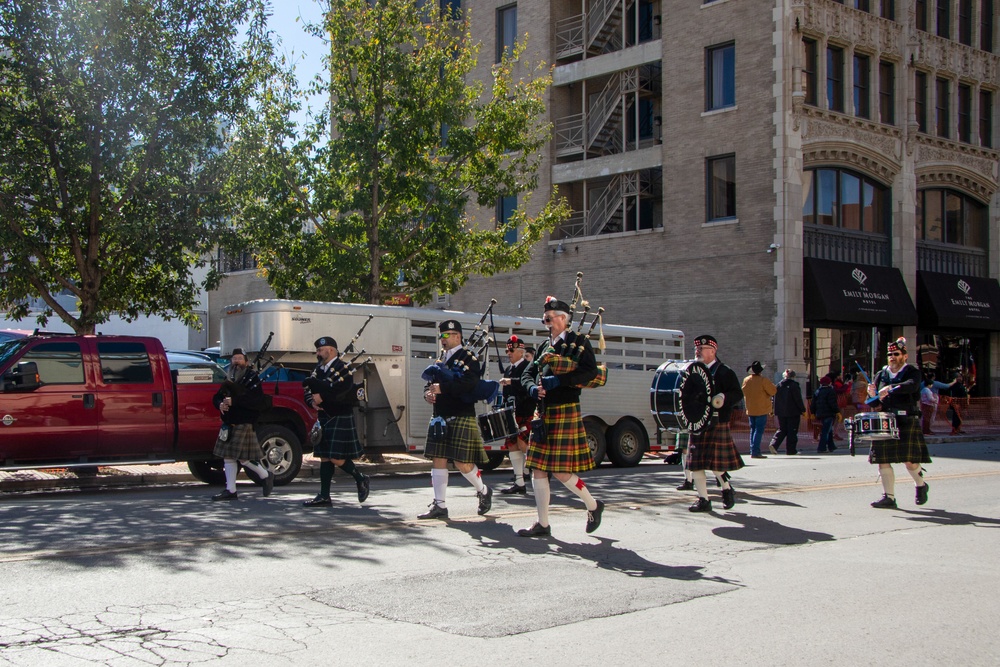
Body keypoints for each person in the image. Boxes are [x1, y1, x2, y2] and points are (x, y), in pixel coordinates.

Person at [517, 296, 604, 536]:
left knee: (561, 471)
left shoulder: (579, 343)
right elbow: (528, 374)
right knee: (537, 469)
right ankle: (543, 523)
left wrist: (560, 381)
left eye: (550, 318)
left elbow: (589, 373)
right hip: (543, 413)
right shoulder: (545, 347)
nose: (546, 321)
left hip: (566, 410)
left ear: (563, 319)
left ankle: (593, 506)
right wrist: (533, 388)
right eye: (545, 318)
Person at [418, 320, 492, 520]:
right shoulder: (441, 359)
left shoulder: (469, 358)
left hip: (461, 413)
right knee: (438, 459)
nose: (442, 339)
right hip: (440, 415)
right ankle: (439, 505)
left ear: (457, 336)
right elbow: (431, 383)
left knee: (462, 463)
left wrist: (443, 389)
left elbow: (469, 384)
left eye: (446, 335)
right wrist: (429, 394)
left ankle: (483, 490)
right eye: (441, 335)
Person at [302, 337, 371, 507]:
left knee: (335, 457)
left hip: (339, 414)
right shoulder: (319, 369)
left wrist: (321, 398)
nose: (318, 353)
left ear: (331, 350)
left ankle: (360, 478)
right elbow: (308, 389)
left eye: (320, 350)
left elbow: (342, 392)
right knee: (325, 457)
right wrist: (311, 401)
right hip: (324, 416)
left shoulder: (343, 368)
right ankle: (324, 496)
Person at [865, 337, 931, 509]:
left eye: (896, 354)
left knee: (909, 460)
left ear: (904, 355)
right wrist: (872, 393)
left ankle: (921, 485)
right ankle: (889, 497)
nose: (892, 357)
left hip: (906, 418)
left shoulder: (911, 371)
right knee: (883, 459)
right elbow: (872, 401)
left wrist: (891, 388)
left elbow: (912, 386)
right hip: (885, 420)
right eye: (890, 354)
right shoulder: (881, 374)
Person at [686, 335, 744, 512]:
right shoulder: (692, 371)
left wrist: (723, 397)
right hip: (697, 422)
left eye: (702, 349)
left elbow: (737, 393)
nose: (698, 351)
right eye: (697, 349)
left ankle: (726, 489)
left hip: (717, 422)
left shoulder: (724, 372)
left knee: (716, 466)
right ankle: (703, 499)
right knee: (695, 464)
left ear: (713, 351)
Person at [210, 348, 274, 501]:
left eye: (240, 358)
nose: (236, 361)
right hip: (229, 422)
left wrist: (235, 401)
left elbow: (256, 401)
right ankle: (232, 490)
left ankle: (263, 476)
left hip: (244, 422)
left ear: (246, 362)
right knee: (232, 457)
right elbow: (217, 396)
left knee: (238, 458)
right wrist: (219, 404)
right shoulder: (229, 377)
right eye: (234, 358)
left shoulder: (252, 378)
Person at [499, 335, 536, 495]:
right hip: (512, 414)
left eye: (511, 350)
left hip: (527, 411)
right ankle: (519, 482)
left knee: (524, 444)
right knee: (512, 446)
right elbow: (507, 392)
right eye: (507, 350)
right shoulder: (508, 369)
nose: (508, 353)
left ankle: (539, 470)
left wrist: (511, 382)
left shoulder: (529, 367)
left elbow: (529, 385)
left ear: (520, 351)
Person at [741, 360, 776, 459]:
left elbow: (743, 391)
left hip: (750, 408)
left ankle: (753, 450)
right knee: (759, 430)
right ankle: (756, 451)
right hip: (762, 408)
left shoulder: (746, 380)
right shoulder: (763, 380)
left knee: (753, 430)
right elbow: (773, 391)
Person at [768, 369, 806, 455]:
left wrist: (773, 409)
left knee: (782, 429)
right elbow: (798, 399)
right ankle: (791, 450)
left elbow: (774, 399)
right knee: (792, 431)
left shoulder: (778, 385)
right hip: (793, 412)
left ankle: (774, 444)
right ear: (793, 376)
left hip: (781, 412)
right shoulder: (794, 385)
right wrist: (803, 410)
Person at [811, 376, 839, 453]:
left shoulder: (817, 391)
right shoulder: (830, 391)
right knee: (826, 431)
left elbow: (813, 403)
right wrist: (837, 411)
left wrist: (813, 412)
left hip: (820, 413)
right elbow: (833, 403)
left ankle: (831, 446)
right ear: (829, 383)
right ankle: (821, 447)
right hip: (829, 413)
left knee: (829, 430)